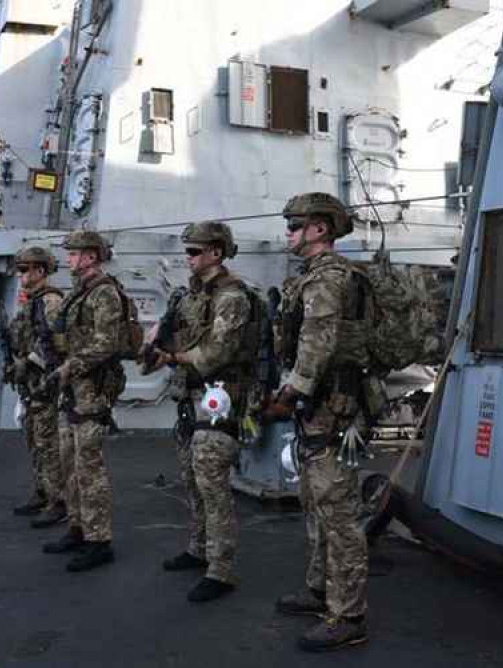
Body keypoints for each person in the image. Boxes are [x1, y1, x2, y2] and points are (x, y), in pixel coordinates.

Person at [272, 192, 371, 652]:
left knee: (338, 512)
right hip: (317, 408)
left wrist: (290, 391)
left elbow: (317, 343)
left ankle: (348, 615)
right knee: (314, 502)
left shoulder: (327, 279)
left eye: (295, 224)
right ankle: (319, 591)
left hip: (329, 407)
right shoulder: (314, 277)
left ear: (319, 229)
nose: (288, 232)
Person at [147, 221, 259, 603]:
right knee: (192, 480)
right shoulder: (189, 297)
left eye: (195, 251)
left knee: (213, 486)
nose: (188, 257)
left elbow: (216, 354)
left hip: (218, 398)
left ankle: (221, 568)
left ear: (216, 252)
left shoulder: (232, 297)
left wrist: (172, 357)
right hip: (189, 398)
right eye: (188, 251)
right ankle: (198, 548)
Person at [41, 231, 126, 572]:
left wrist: (69, 367)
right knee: (70, 464)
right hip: (72, 390)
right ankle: (77, 528)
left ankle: (99, 540)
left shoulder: (105, 293)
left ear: (91, 257)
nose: (69, 259)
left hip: (92, 389)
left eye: (75, 254)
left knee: (90, 468)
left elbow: (106, 343)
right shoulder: (79, 292)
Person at [6, 246, 67, 527]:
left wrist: (28, 363)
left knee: (48, 445)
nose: (20, 275)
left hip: (46, 385)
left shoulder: (50, 301)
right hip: (31, 386)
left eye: (24, 270)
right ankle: (43, 491)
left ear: (40, 271)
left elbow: (57, 346)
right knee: (35, 443)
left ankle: (58, 501)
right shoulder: (31, 302)